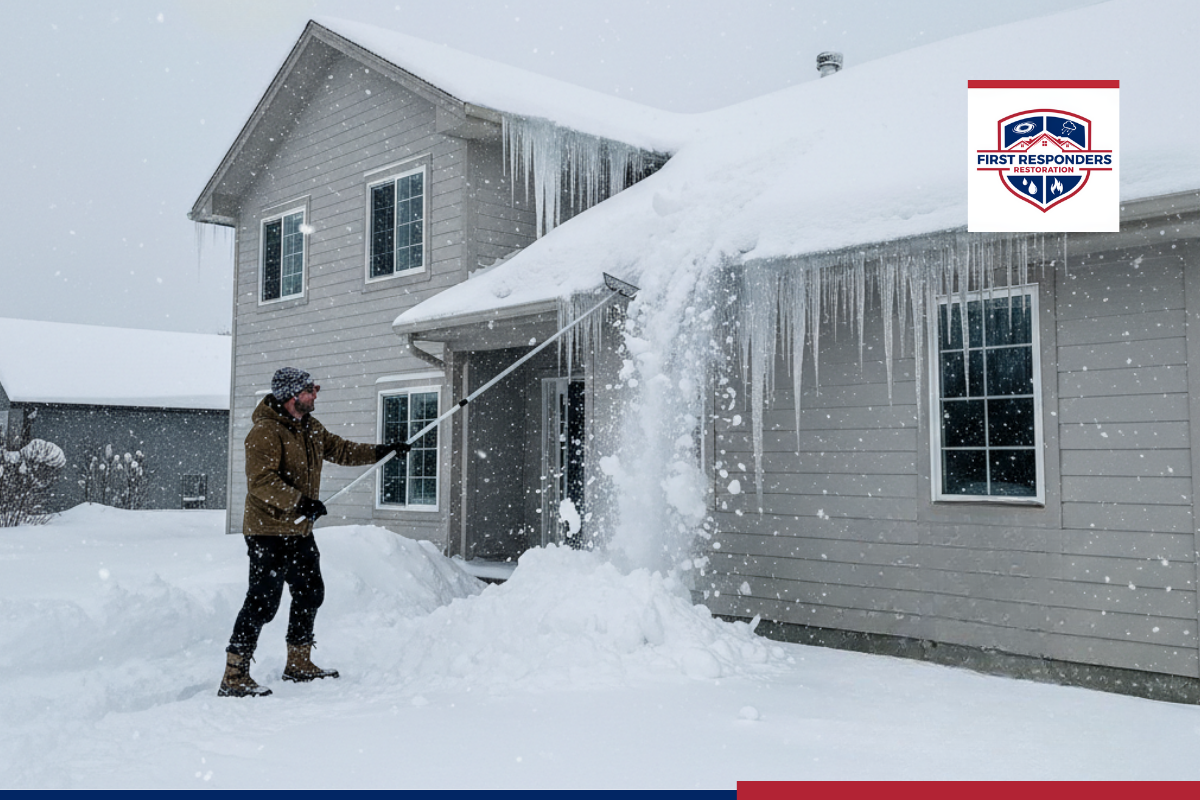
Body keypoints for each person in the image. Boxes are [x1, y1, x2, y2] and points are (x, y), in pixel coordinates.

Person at [218, 367, 410, 698]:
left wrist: (383, 451)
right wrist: (300, 502)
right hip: (268, 530)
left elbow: (342, 450)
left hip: (299, 530)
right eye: (311, 390)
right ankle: (234, 675)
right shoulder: (265, 432)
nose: (315, 395)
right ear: (291, 395)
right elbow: (261, 482)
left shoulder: (310, 428)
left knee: (310, 592)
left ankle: (298, 662)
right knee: (263, 602)